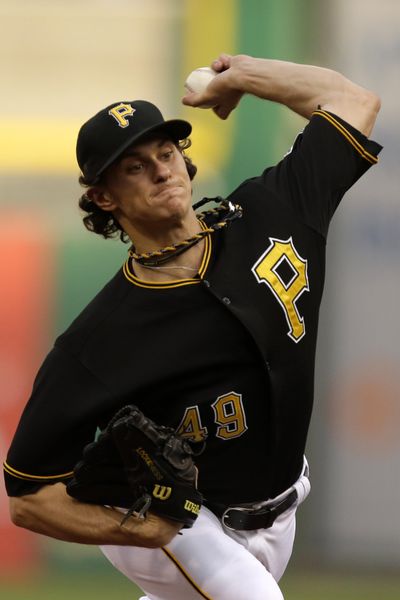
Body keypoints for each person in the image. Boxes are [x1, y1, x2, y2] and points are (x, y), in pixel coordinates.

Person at [4, 54, 381, 600]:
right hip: (175, 524)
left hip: (280, 512)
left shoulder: (273, 211)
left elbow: (353, 102)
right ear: (103, 198)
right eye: (135, 166)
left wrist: (246, 77)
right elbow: (28, 497)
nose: (161, 169)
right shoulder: (100, 338)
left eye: (166, 152)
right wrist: (139, 530)